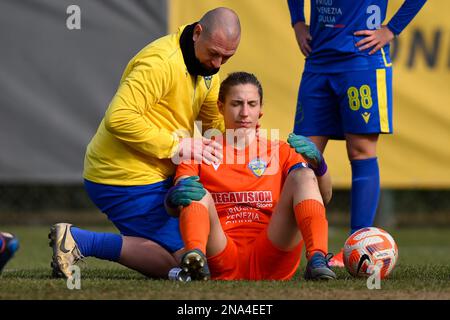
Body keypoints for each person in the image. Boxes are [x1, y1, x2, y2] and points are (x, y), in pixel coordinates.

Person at [49, 7, 241, 279]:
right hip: (121, 176)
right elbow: (119, 118)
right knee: (194, 265)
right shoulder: (160, 63)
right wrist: (178, 146)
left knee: (197, 257)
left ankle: (78, 240)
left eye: (227, 57)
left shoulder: (208, 69)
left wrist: (243, 148)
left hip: (157, 176)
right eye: (214, 53)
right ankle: (80, 240)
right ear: (197, 32)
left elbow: (214, 129)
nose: (218, 64)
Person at [287, 0, 427, 266]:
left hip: (362, 60)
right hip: (318, 60)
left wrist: (392, 28)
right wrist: (297, 21)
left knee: (360, 151)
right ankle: (296, 249)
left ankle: (357, 245)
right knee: (301, 158)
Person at [166, 72, 336, 281]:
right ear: (221, 107)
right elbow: (176, 206)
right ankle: (194, 259)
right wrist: (172, 198)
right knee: (194, 189)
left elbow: (325, 197)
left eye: (252, 104)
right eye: (236, 103)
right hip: (219, 252)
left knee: (303, 174)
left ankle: (318, 259)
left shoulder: (281, 150)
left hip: (273, 251)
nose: (245, 112)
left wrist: (320, 166)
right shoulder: (200, 151)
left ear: (261, 109)